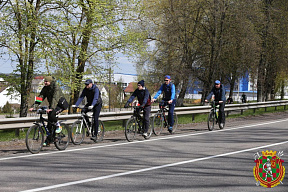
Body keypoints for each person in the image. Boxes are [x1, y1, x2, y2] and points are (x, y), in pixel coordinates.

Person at [29, 76, 68, 146]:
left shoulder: (56, 88)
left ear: (50, 82)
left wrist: (52, 108)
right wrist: (34, 106)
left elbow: (55, 98)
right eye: (44, 81)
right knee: (49, 124)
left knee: (52, 114)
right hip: (52, 105)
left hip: (60, 105)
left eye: (46, 81)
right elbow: (40, 97)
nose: (45, 83)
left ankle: (58, 125)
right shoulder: (45, 88)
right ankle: (49, 139)